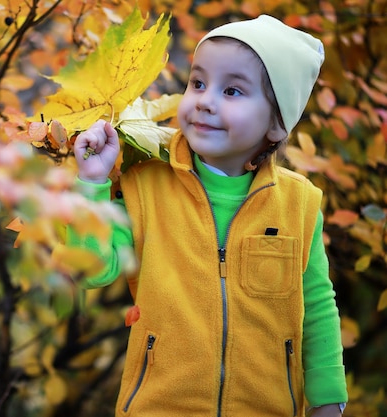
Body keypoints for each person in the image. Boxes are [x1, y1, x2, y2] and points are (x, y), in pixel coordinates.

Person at [69, 15, 348, 417]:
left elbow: (317, 306)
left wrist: (327, 399)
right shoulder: (146, 187)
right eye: (197, 83)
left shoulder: (298, 204)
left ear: (275, 124)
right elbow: (92, 270)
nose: (205, 99)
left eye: (232, 90)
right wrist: (92, 184)